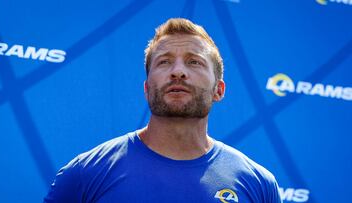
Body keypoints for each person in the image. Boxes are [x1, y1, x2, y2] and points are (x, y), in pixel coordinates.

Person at [44, 18, 282, 203]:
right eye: (164, 62)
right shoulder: (86, 175)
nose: (178, 71)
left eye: (194, 62)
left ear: (218, 90)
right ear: (147, 89)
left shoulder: (258, 184)